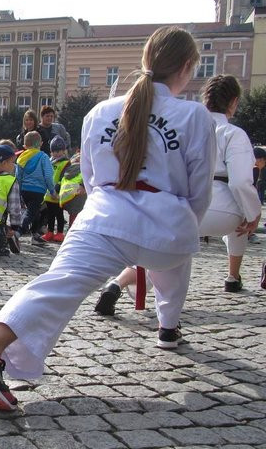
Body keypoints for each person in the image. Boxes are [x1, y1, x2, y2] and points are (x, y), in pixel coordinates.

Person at [0, 26, 215, 410]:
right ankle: (168, 325)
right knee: (174, 264)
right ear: (186, 66)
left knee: (56, 285)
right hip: (166, 224)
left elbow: (92, 180)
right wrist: (184, 226)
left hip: (103, 216)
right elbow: (199, 192)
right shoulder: (195, 116)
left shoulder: (100, 112)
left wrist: (112, 212)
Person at [96, 74, 261, 312]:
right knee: (241, 222)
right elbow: (240, 183)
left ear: (206, 99)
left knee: (161, 252)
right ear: (233, 102)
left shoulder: (186, 125)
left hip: (181, 206)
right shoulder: (233, 133)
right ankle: (233, 277)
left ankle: (117, 283)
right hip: (222, 211)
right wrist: (253, 213)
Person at [16, 131, 56, 242]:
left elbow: (18, 176)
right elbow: (48, 175)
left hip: (25, 190)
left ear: (25, 146)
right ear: (41, 143)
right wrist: (52, 190)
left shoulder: (21, 158)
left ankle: (35, 234)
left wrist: (19, 192)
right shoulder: (43, 157)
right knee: (30, 213)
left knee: (36, 212)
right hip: (38, 190)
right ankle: (18, 232)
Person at [41, 136, 70, 242]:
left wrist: (56, 190)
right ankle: (50, 232)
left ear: (63, 151)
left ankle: (60, 233)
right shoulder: (49, 161)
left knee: (59, 214)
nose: (57, 153)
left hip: (58, 194)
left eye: (59, 151)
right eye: (54, 151)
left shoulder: (66, 163)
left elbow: (63, 177)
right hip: (48, 194)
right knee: (50, 215)